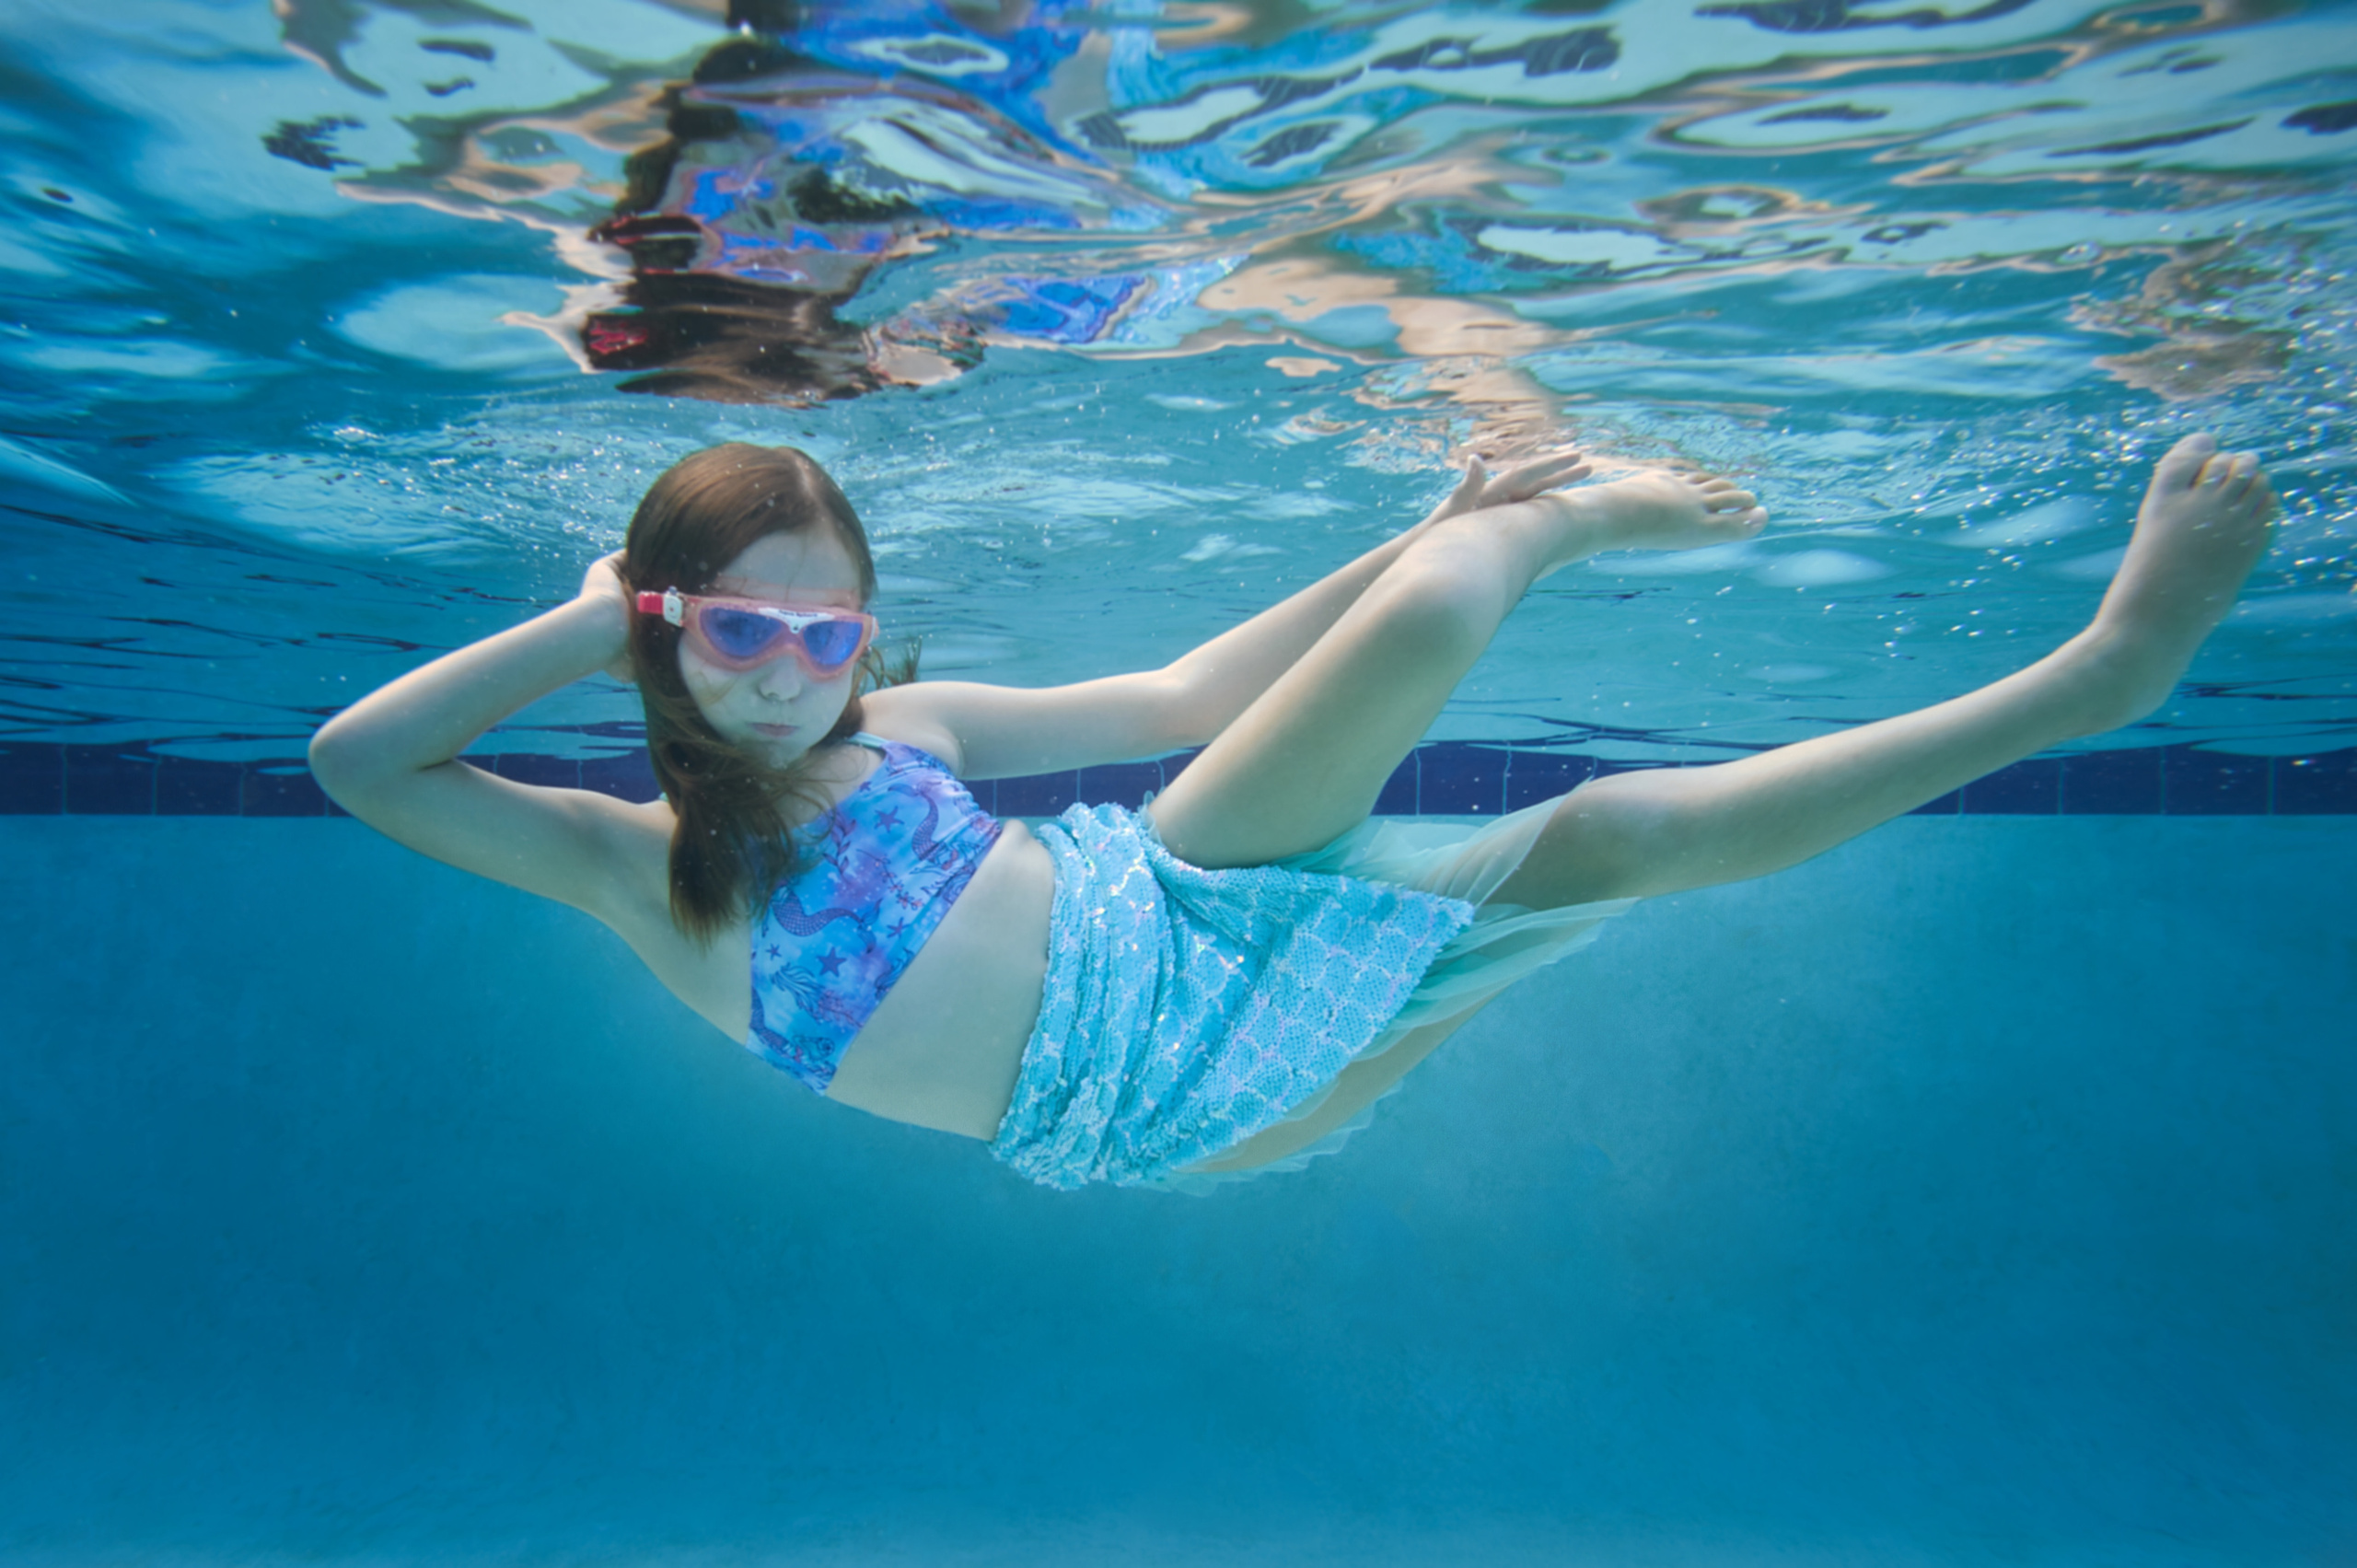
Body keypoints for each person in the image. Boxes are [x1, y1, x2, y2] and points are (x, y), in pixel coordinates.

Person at [308, 433, 2278, 1190]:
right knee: (1552, 753)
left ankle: (2090, 679)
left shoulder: (907, 730)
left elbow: (1185, 694)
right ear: (663, 628)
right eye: (737, 628)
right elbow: (358, 764)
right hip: (1171, 1111)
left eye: (828, 632)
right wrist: (580, 625)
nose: (787, 669)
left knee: (1585, 804)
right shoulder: (630, 867)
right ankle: (1560, 520)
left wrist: (1413, 521)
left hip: (1182, 921)